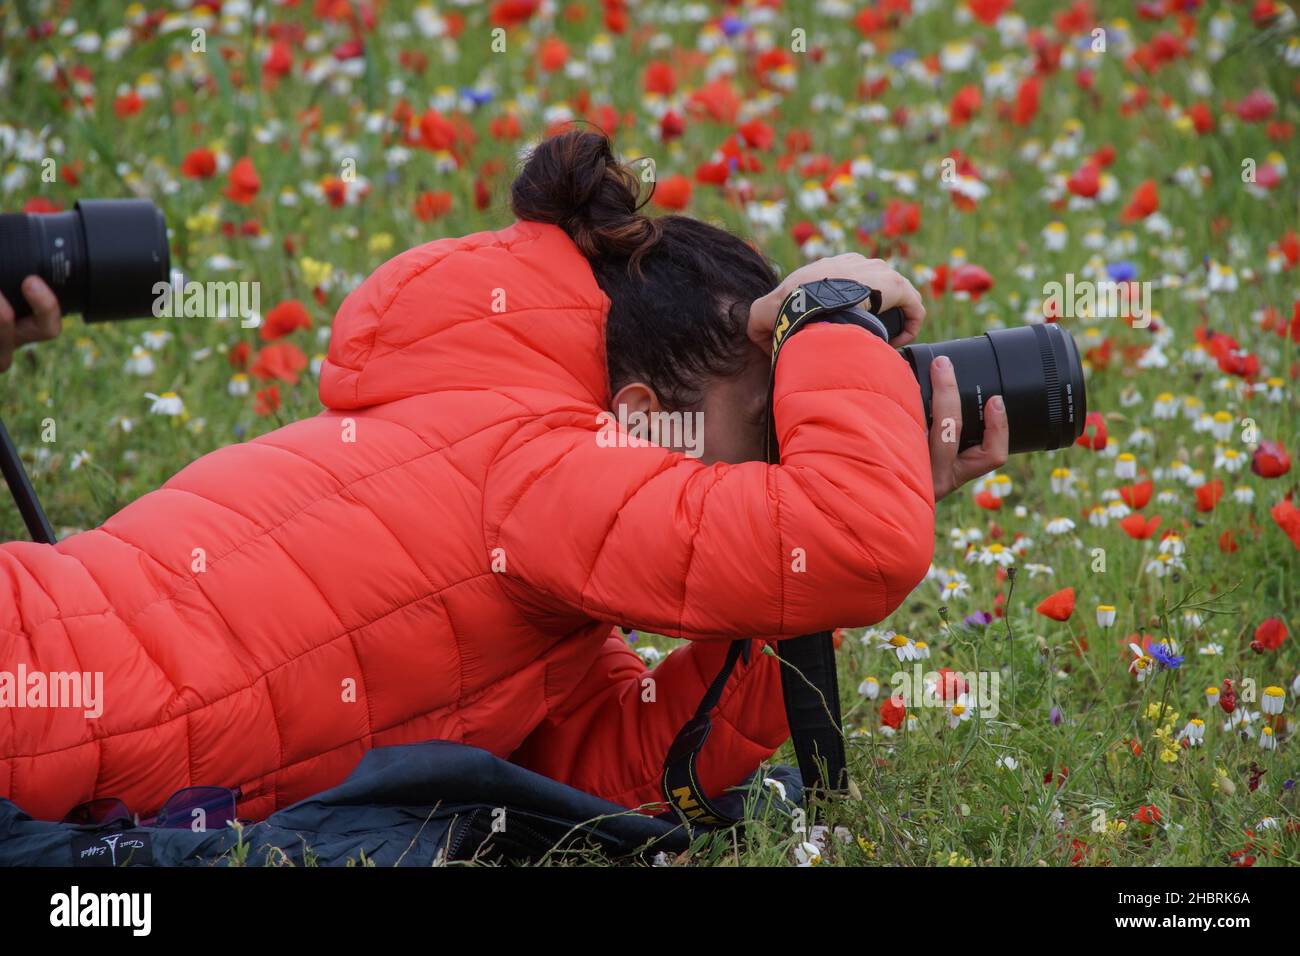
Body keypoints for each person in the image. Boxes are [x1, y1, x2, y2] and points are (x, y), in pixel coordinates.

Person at [0, 130, 1006, 822]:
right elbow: (848, 539)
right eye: (769, 416)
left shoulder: (530, 504)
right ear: (645, 417)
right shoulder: (548, 471)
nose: (785, 452)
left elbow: (611, 775)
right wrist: (827, 315)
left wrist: (807, 565)